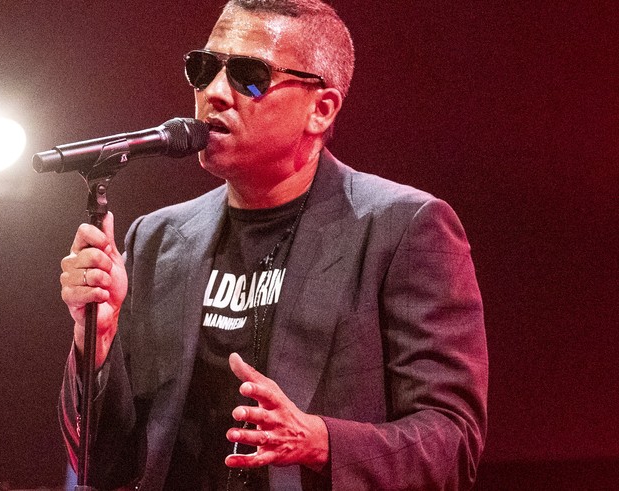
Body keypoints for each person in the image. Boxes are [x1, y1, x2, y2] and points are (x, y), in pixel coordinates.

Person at [57, 1, 488, 489]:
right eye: (204, 69)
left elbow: (452, 442)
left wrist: (318, 440)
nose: (215, 93)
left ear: (320, 110)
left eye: (248, 75)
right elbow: (103, 463)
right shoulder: (155, 240)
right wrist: (95, 343)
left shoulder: (404, 228)